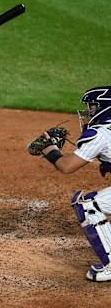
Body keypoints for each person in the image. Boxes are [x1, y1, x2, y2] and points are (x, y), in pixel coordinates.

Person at [39, 85, 111, 282]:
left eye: (93, 107)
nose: (89, 112)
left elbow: (67, 166)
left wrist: (50, 150)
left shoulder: (100, 134)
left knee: (88, 206)